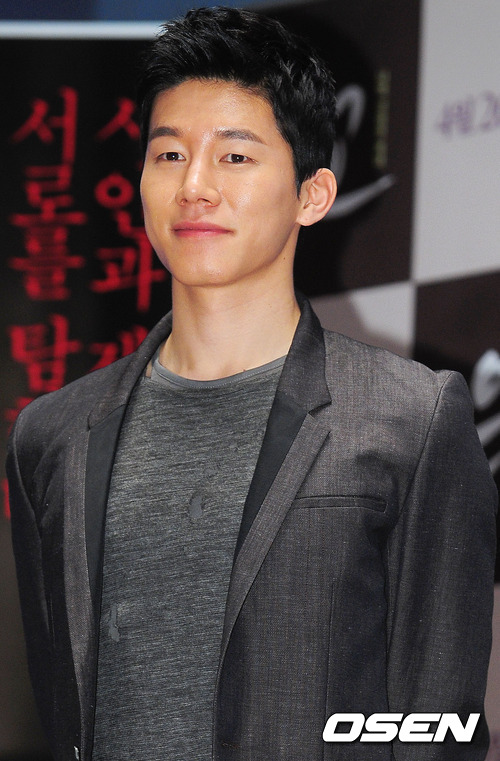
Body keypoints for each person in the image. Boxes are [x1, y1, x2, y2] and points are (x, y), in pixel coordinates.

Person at [7, 7, 497, 761]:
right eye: (169, 154)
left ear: (313, 194)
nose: (194, 186)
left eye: (234, 156)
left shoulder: (411, 419)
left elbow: (440, 730)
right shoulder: (51, 435)